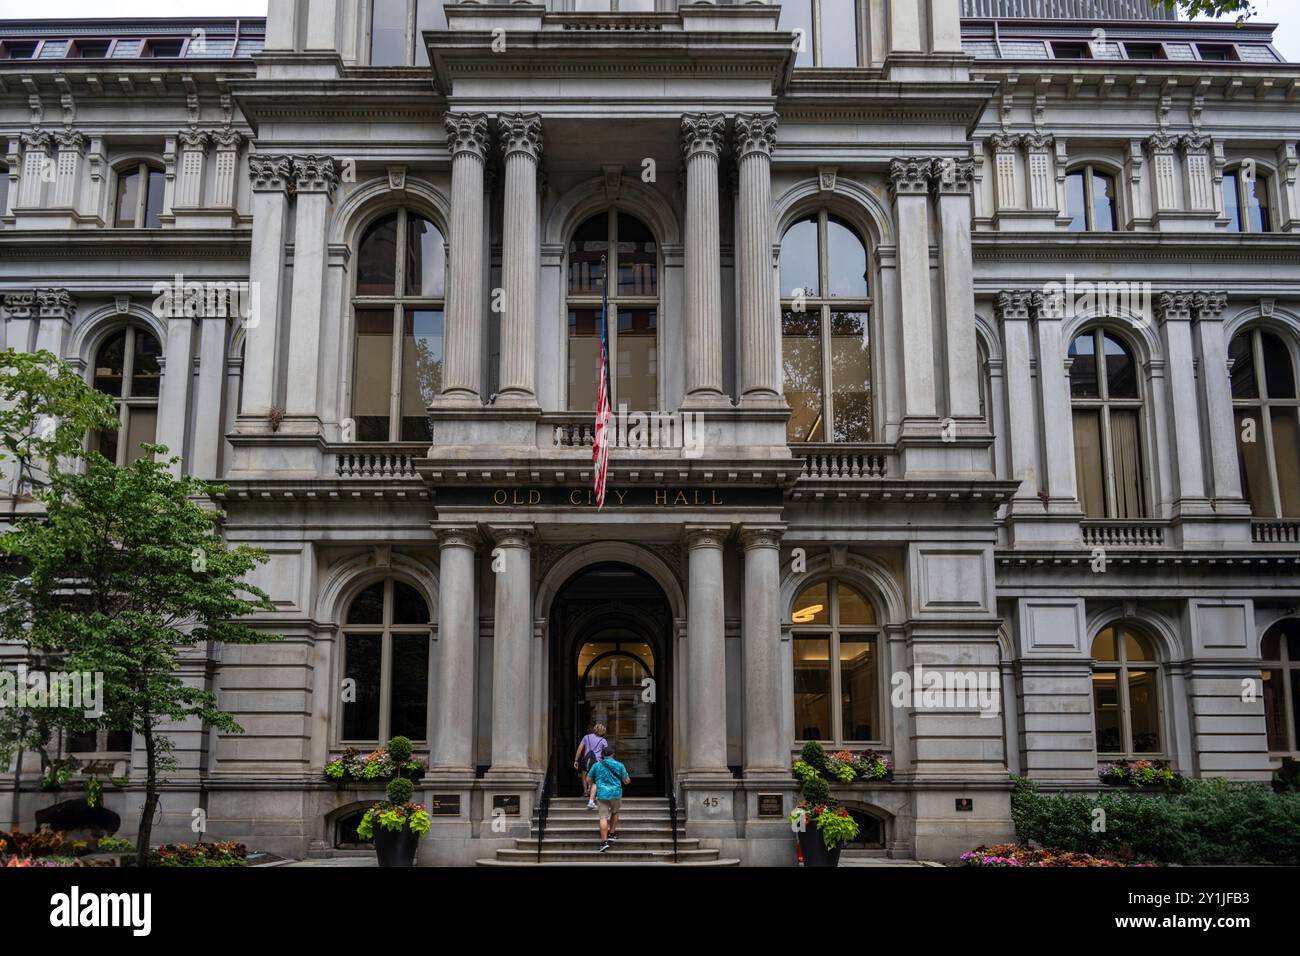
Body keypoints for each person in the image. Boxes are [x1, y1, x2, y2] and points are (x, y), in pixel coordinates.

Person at [588, 742, 630, 853]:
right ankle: (612, 833)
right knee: (615, 813)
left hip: (602, 794)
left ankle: (604, 842)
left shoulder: (597, 765)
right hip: (616, 793)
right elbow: (626, 781)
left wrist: (597, 782)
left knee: (603, 818)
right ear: (613, 754)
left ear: (603, 754)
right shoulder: (620, 765)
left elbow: (588, 780)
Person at [573, 722, 608, 810]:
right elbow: (607, 753)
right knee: (595, 780)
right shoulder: (603, 740)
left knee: (585, 775)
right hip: (597, 762)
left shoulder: (586, 737)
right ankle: (592, 796)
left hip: (586, 760)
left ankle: (585, 791)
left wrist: (576, 760)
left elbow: (580, 749)